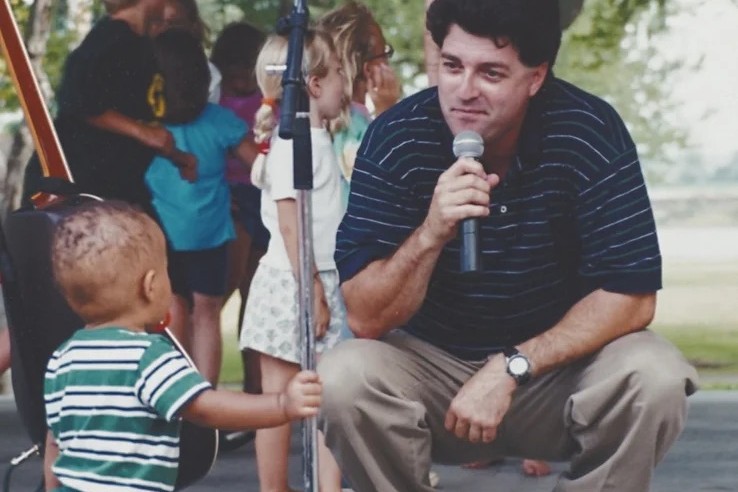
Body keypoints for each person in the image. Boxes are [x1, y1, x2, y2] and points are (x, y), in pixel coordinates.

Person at [316, 1, 699, 491]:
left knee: (655, 373)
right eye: (452, 66)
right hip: (430, 371)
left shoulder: (589, 130)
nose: (464, 90)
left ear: (535, 77)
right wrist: (432, 231)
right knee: (344, 375)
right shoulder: (395, 138)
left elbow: (632, 297)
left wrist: (513, 365)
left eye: (491, 73)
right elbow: (366, 318)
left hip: (555, 375)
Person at [43, 200, 321, 492]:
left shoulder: (62, 358)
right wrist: (281, 404)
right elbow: (204, 407)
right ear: (150, 286)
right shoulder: (148, 356)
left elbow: (54, 441)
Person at [238, 30, 347, 492]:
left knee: (330, 399)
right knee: (279, 402)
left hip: (319, 280)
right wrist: (314, 292)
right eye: (341, 72)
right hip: (295, 282)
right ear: (316, 84)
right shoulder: (291, 145)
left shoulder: (319, 144)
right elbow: (291, 225)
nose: (348, 81)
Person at [145, 29, 257, 385]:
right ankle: (204, 401)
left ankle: (175, 390)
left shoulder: (145, 126)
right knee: (207, 314)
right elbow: (259, 167)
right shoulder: (219, 120)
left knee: (172, 307)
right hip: (210, 234)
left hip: (162, 234)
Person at [22, 0, 195, 213]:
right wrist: (144, 133)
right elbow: (79, 101)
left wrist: (177, 156)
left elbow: (131, 121)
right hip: (73, 185)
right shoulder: (111, 39)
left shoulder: (143, 46)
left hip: (116, 184)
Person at [211, 21, 269, 398]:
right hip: (231, 199)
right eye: (235, 73)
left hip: (262, 198)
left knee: (257, 297)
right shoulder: (216, 101)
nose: (242, 80)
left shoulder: (268, 101)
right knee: (222, 292)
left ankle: (256, 388)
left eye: (249, 71)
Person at [317, 0, 401, 209]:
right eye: (384, 53)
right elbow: (385, 185)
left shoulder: (326, 118)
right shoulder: (352, 124)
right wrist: (388, 112)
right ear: (367, 68)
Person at [153, 0, 222, 103]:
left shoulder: (210, 74)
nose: (162, 30)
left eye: (172, 23)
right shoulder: (138, 65)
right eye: (156, 22)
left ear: (193, 26)